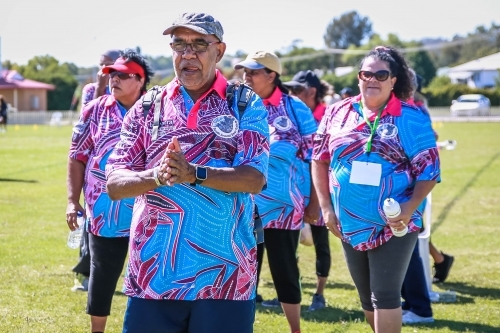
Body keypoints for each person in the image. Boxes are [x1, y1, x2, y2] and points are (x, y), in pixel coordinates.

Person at [105, 13, 270, 333]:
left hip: (225, 276)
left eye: (198, 44)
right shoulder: (147, 106)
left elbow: (254, 178)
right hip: (154, 275)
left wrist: (195, 173)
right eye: (179, 44)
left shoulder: (243, 102)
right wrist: (156, 176)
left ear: (219, 52)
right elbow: (114, 184)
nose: (188, 54)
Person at [312, 46, 440, 333]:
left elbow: (430, 171)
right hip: (348, 222)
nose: (372, 79)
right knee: (367, 300)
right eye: (366, 73)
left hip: (395, 222)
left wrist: (409, 207)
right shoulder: (337, 112)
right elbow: (318, 160)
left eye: (380, 74)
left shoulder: (410, 117)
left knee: (385, 295)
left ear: (393, 80)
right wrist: (325, 207)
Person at [66, 49, 154, 333]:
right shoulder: (94, 109)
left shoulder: (157, 110)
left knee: (149, 278)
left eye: (122, 75)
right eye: (111, 74)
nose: (114, 79)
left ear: (140, 81)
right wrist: (71, 200)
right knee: (102, 276)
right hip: (105, 213)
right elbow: (77, 155)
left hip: (152, 212)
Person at [234, 51, 318, 333]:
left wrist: (315, 203)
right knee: (243, 274)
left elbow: (316, 156)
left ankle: (295, 330)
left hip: (284, 209)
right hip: (242, 207)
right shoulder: (235, 106)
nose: (246, 77)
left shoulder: (296, 109)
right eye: (244, 71)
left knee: (285, 272)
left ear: (272, 75)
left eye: (253, 72)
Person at [70, 49, 122, 293]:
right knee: (92, 226)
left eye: (110, 65)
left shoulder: (128, 88)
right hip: (94, 170)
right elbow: (87, 120)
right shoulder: (91, 90)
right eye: (102, 65)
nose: (105, 70)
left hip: (119, 173)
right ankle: (86, 276)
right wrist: (101, 88)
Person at [283, 70, 333, 312]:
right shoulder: (294, 113)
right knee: (289, 246)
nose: (292, 94)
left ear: (311, 92)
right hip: (295, 189)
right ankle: (293, 295)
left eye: (297, 90)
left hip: (320, 189)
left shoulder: (326, 117)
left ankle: (319, 295)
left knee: (321, 243)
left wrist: (317, 200)